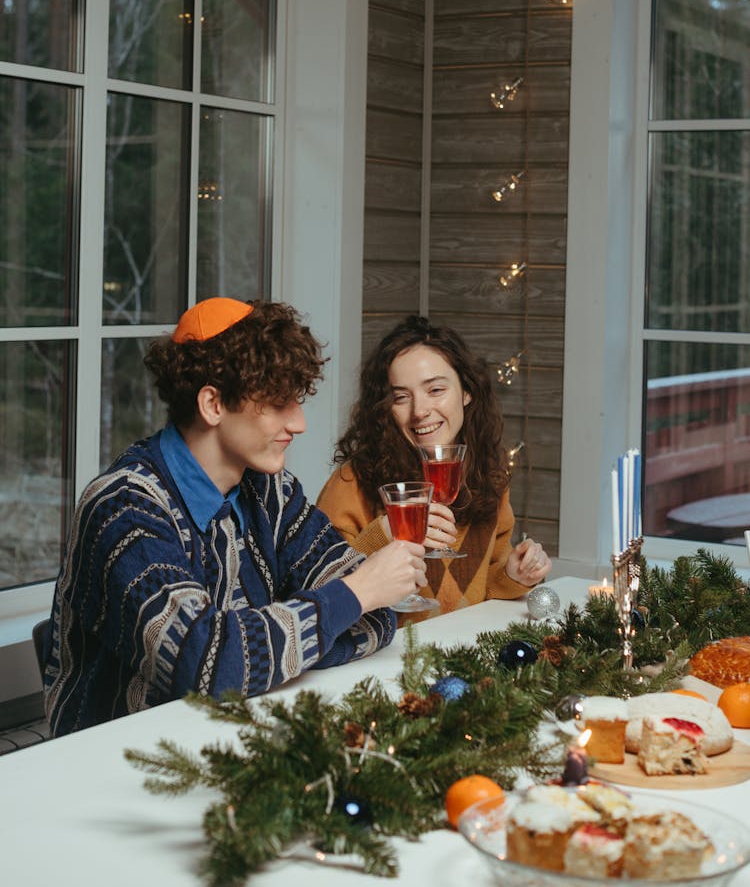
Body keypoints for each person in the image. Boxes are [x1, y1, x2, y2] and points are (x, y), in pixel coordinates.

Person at [43, 298, 427, 736]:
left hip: (236, 736)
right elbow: (210, 664)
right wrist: (353, 595)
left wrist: (267, 653)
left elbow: (378, 618)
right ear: (213, 404)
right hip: (113, 761)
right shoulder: (124, 508)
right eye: (279, 402)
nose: (299, 422)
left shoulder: (272, 491)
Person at [317, 314, 551, 617]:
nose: (420, 411)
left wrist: (513, 574)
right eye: (401, 397)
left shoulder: (489, 476)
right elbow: (319, 591)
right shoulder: (352, 482)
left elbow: (479, 590)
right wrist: (385, 536)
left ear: (467, 392)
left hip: (464, 654)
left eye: (436, 390)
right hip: (389, 659)